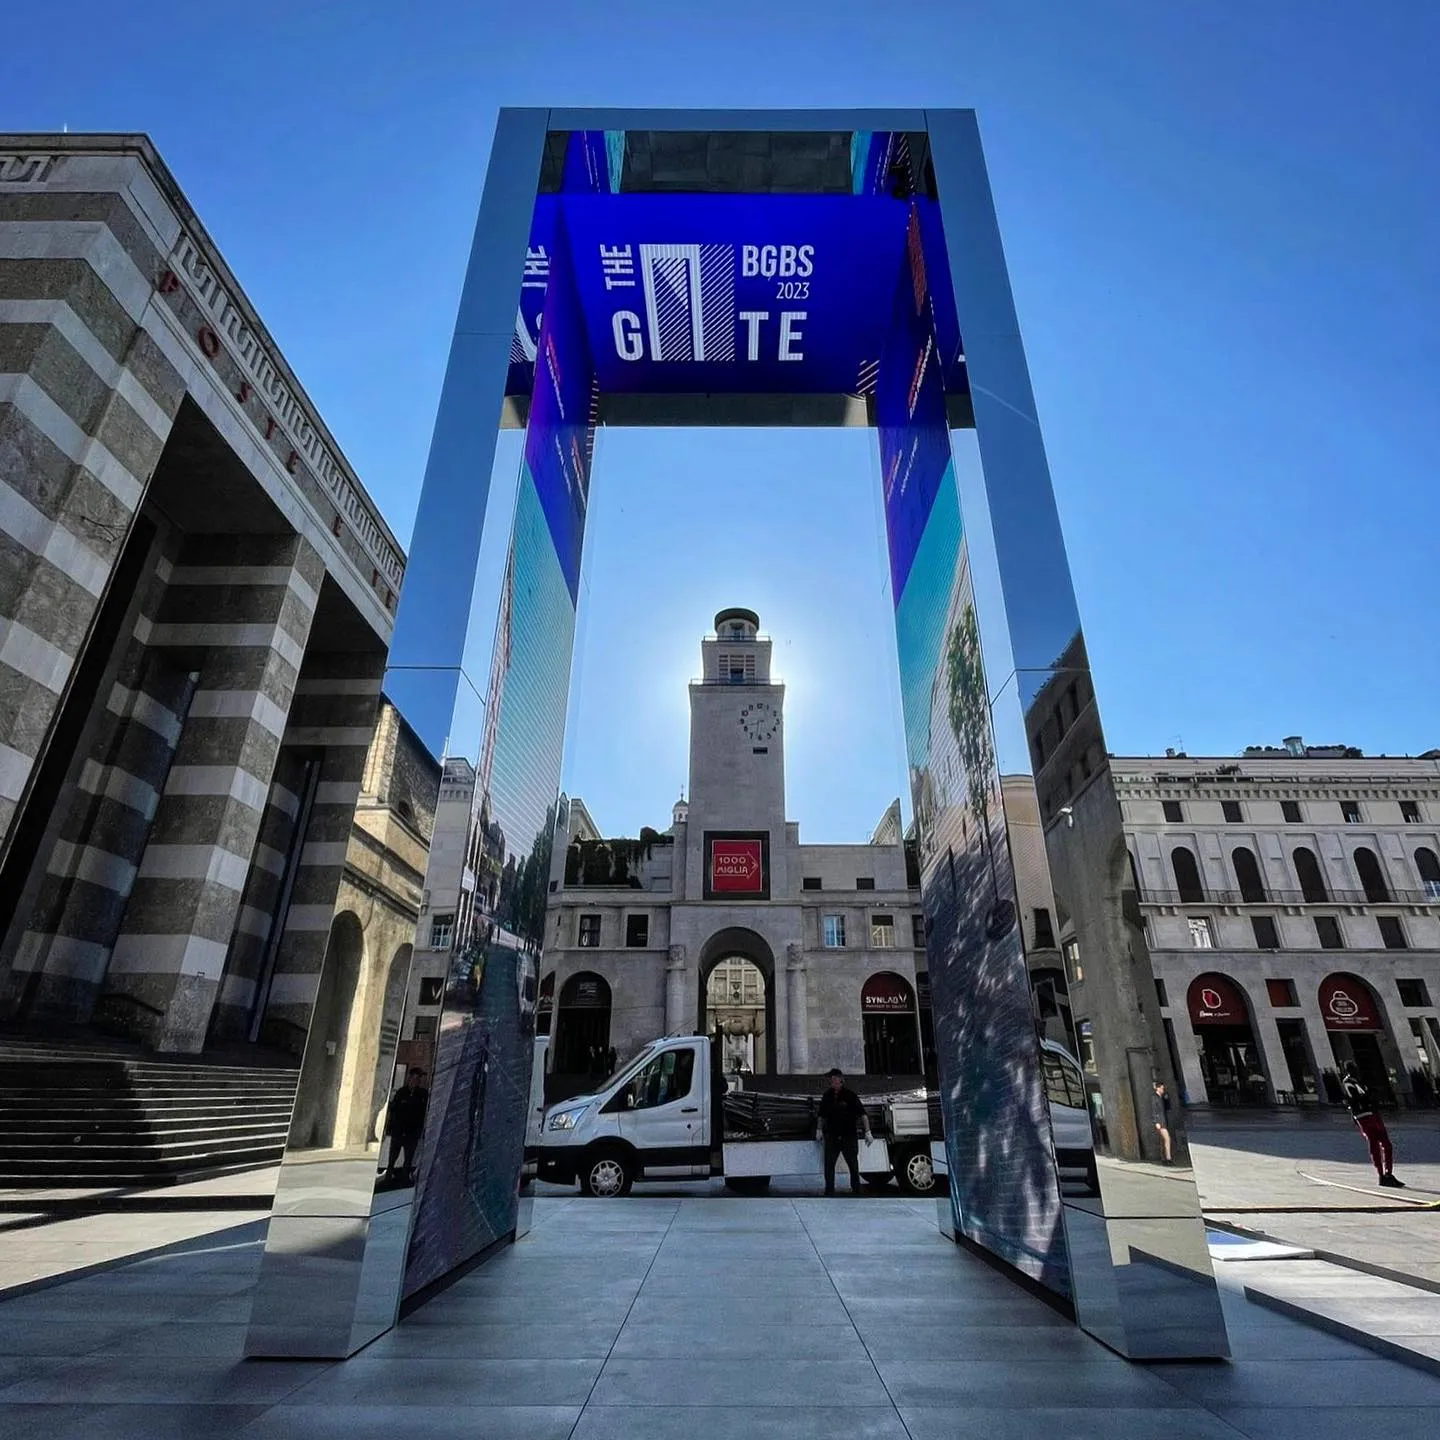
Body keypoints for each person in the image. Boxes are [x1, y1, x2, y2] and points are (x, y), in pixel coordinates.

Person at [1341, 1061, 1404, 1188]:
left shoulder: (1357, 1081)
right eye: (1353, 1069)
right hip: (1364, 1114)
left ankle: (1387, 1174)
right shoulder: (1349, 1082)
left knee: (1385, 1143)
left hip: (1369, 1113)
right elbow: (1358, 1097)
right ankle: (1383, 1174)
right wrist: (1368, 1096)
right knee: (1375, 1143)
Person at [817, 1067, 870, 1195]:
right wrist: (819, 1130)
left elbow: (862, 1114)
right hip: (832, 1136)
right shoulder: (827, 1096)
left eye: (834, 1078)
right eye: (830, 1079)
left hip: (848, 1135)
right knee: (829, 1165)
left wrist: (868, 1132)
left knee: (853, 1164)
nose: (831, 1081)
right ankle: (829, 1190)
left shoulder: (850, 1095)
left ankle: (856, 1188)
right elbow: (821, 1115)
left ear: (840, 1080)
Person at [384, 1067, 429, 1183]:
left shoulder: (423, 1094)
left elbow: (424, 1112)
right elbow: (394, 1110)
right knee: (392, 1157)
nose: (416, 1081)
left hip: (412, 1132)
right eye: (414, 1078)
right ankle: (388, 1178)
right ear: (409, 1079)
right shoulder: (401, 1092)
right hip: (398, 1131)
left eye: (418, 1078)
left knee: (408, 1158)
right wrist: (390, 1127)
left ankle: (404, 1178)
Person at [1150, 1080, 1173, 1164]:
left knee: (1162, 1140)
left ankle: (1163, 1159)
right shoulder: (1154, 1097)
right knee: (1167, 1138)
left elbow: (1168, 1108)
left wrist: (1167, 1099)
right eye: (1162, 1088)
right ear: (1158, 1088)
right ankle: (1168, 1158)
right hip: (1160, 1122)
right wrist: (1156, 1122)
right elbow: (1154, 1110)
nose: (1163, 1089)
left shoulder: (1162, 1097)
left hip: (1164, 1120)